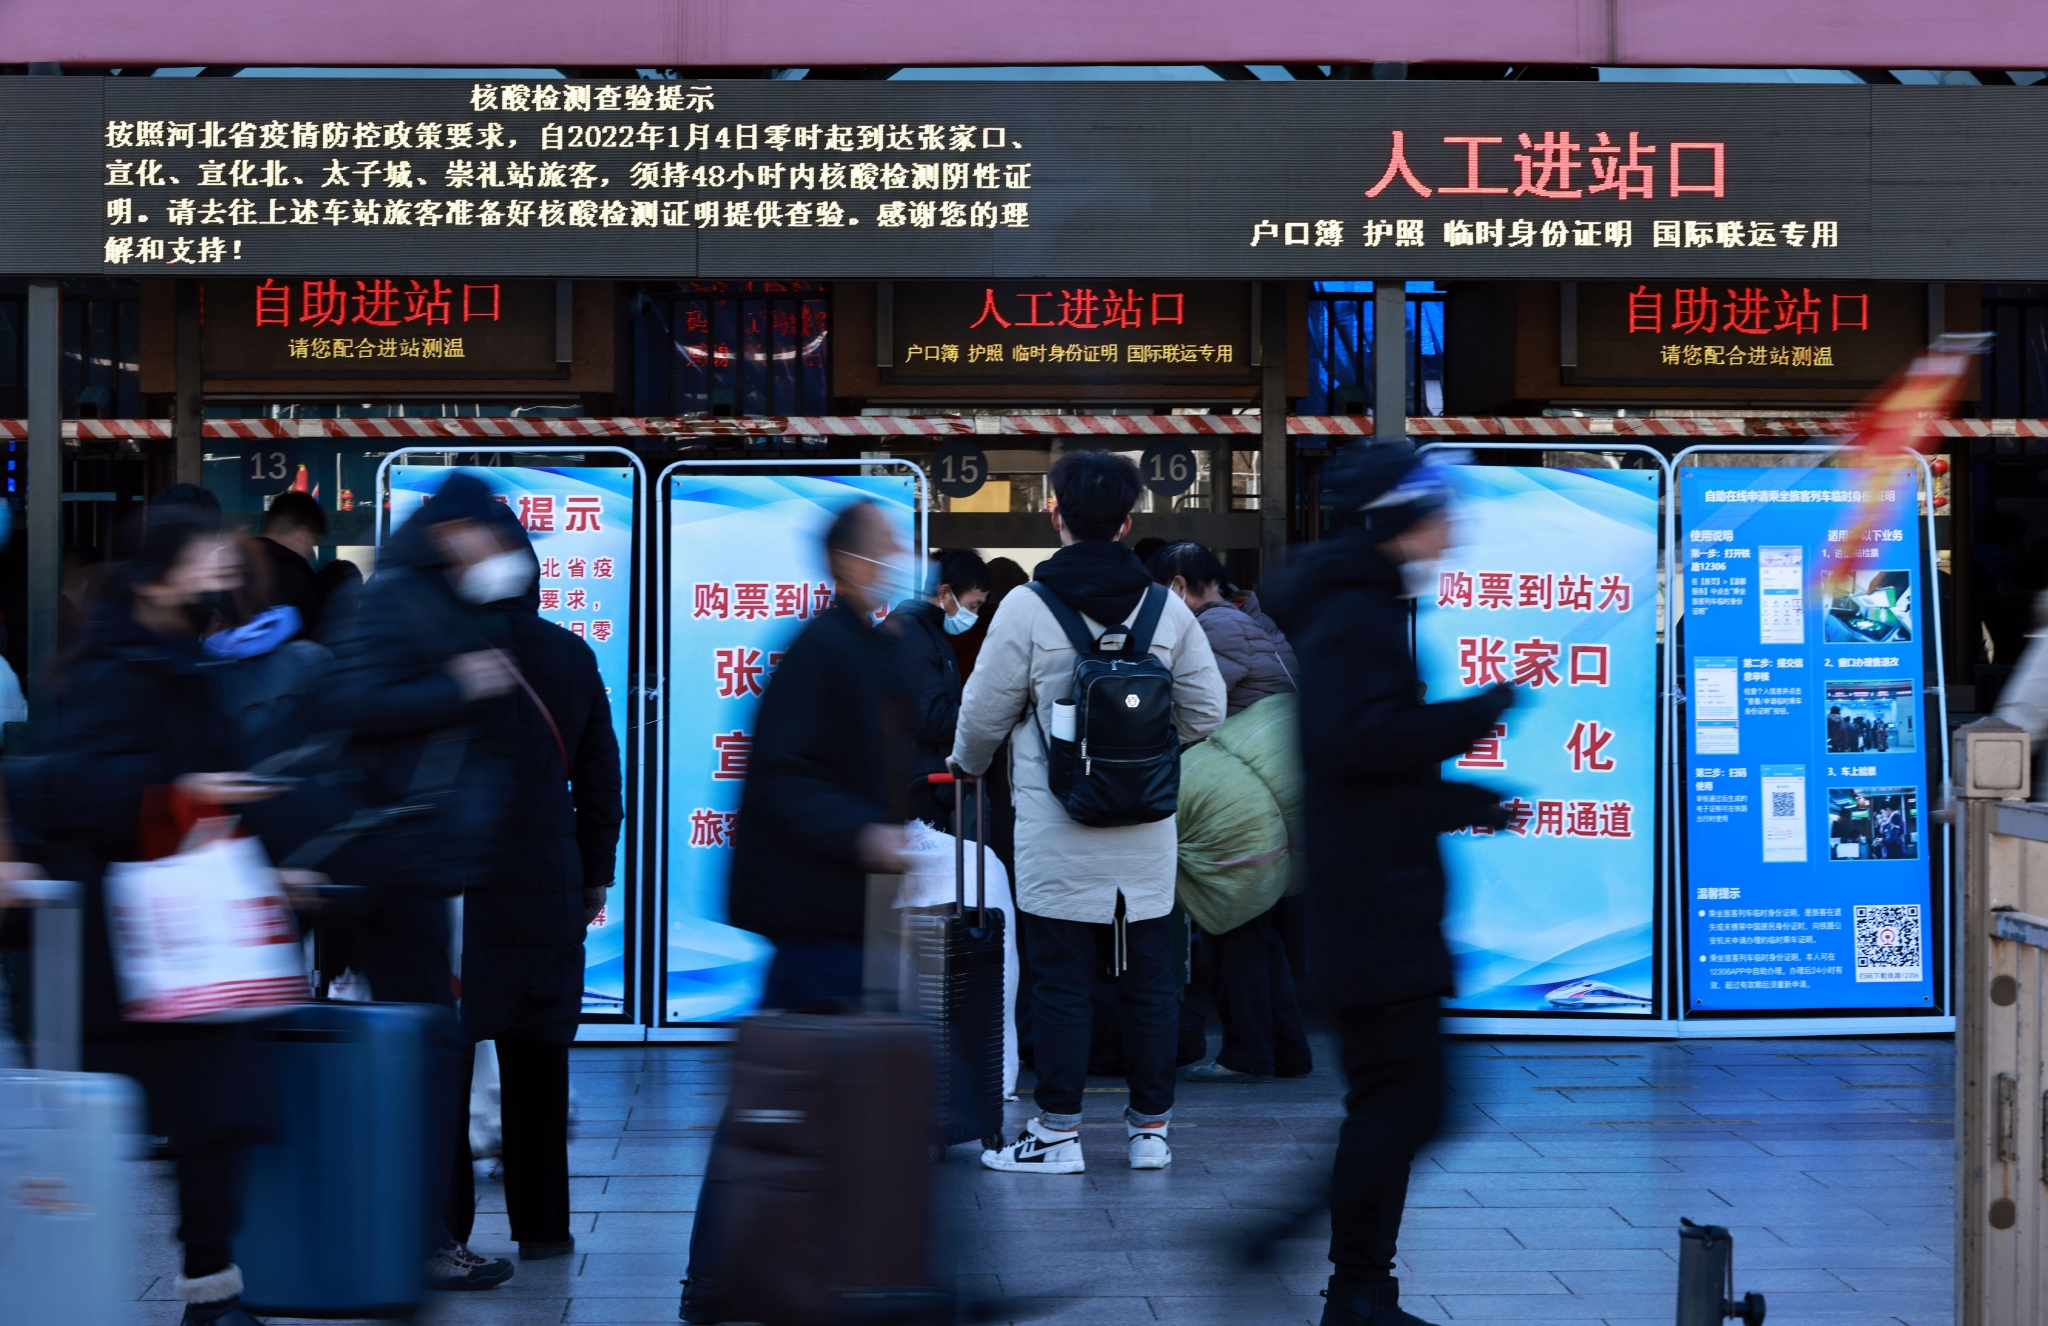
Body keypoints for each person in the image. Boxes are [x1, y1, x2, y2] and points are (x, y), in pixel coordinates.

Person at [5, 508, 307, 1326]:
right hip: (118, 940)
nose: (223, 562)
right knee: (124, 1124)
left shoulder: (190, 654)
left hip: (185, 935)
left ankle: (212, 1291)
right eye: (207, 549)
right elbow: (75, 790)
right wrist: (180, 799)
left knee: (222, 1111)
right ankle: (77, 1285)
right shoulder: (113, 661)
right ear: (167, 563)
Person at [1264, 443, 1516, 1326]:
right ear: (1400, 520)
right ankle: (1297, 1253)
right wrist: (1476, 715)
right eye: (1442, 514)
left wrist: (1464, 802)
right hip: (1375, 909)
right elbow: (1356, 744)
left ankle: (1360, 1293)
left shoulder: (1359, 605)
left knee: (1401, 1105)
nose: (1452, 532)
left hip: (1381, 896)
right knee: (1405, 1107)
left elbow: (1366, 766)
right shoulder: (1353, 613)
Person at [952, 449, 1225, 1175]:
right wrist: (1146, 752)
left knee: (1062, 982)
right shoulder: (1166, 608)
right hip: (1145, 832)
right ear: (1129, 520)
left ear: (1056, 516)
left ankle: (1058, 1136)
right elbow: (1207, 708)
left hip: (1056, 828)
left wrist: (972, 765)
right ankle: (1150, 1133)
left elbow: (981, 716)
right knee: (1151, 985)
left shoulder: (1025, 607)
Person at [326, 470, 525, 1291]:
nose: (500, 553)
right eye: (490, 536)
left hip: (422, 860)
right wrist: (460, 684)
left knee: (429, 1054)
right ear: (454, 531)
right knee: (425, 1056)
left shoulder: (441, 595)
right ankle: (411, 1239)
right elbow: (357, 701)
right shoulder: (398, 596)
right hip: (392, 863)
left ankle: (415, 1234)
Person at [444, 508, 623, 1264]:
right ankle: (544, 1226)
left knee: (448, 1061)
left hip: (463, 884)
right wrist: (593, 878)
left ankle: (446, 1227)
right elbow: (601, 783)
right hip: (549, 883)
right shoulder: (570, 655)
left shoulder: (441, 656)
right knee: (539, 1057)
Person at [725, 499, 913, 1009]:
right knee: (818, 1060)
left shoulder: (862, 641)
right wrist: (863, 833)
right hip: (817, 908)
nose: (900, 553)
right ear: (848, 562)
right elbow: (783, 776)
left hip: (847, 910)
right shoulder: (821, 647)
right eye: (885, 545)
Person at [1143, 540, 1310, 1085]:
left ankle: (1248, 1053)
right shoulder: (1252, 619)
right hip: (1267, 793)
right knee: (1256, 929)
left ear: (1176, 585)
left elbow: (1192, 707)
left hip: (1236, 801)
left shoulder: (1214, 629)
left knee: (1230, 924)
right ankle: (1284, 1050)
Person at [883, 548, 990, 827]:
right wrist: (987, 710)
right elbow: (931, 718)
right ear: (944, 594)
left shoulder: (927, 633)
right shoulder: (913, 636)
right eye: (973, 605)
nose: (975, 615)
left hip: (921, 781)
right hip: (915, 787)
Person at [1147, 540, 1295, 718]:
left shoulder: (1222, 625)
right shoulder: (1234, 617)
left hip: (1240, 738)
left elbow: (1191, 701)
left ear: (1179, 586)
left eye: (1158, 591)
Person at [250, 490, 329, 639]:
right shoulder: (298, 578)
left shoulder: (235, 564)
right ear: (303, 534)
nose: (311, 554)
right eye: (313, 544)